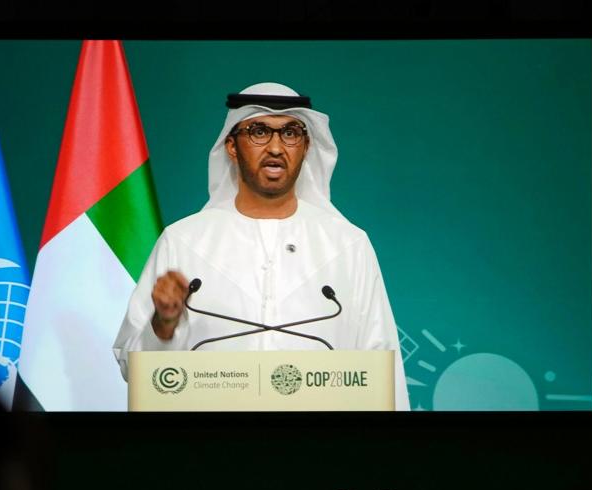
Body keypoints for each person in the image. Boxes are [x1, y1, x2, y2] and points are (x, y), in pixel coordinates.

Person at [112, 82, 409, 410]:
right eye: (259, 132)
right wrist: (163, 324)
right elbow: (133, 368)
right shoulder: (184, 241)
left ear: (307, 146)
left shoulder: (348, 244)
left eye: (291, 133)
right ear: (231, 146)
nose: (276, 147)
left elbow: (383, 368)